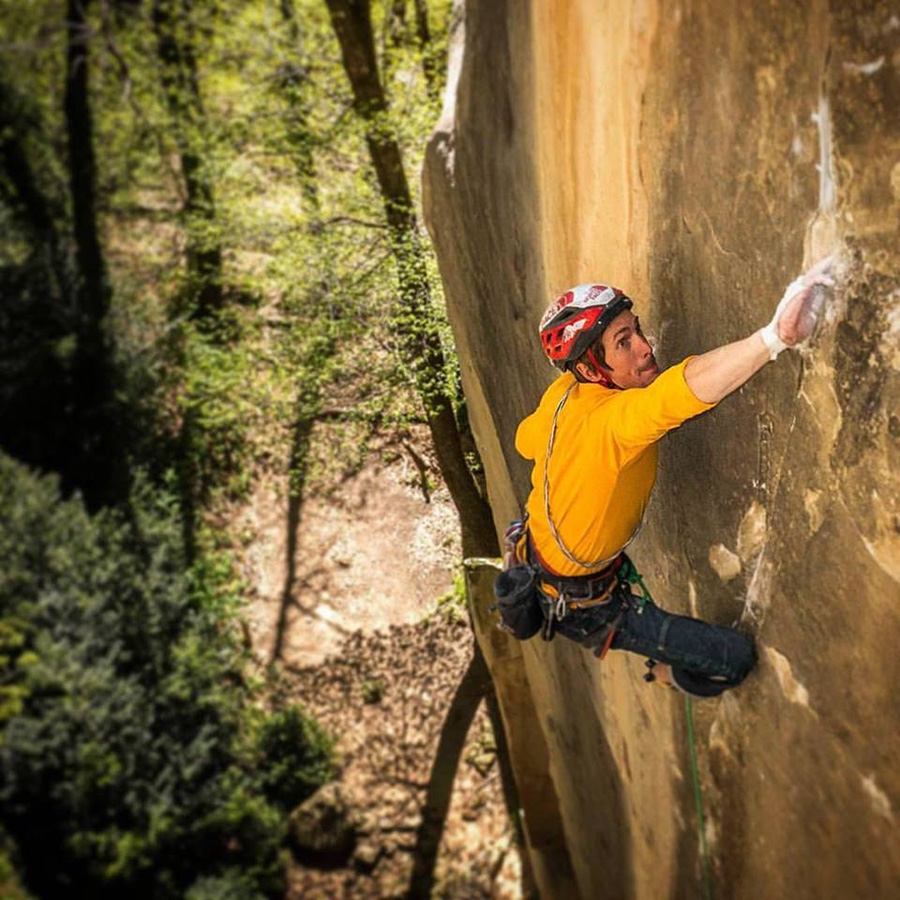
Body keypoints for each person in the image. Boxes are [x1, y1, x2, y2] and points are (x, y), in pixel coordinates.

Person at [506, 260, 834, 697]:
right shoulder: (614, 423)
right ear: (589, 370)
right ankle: (669, 675)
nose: (645, 347)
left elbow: (524, 441)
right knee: (734, 659)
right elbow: (674, 396)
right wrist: (775, 337)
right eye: (624, 342)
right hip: (585, 606)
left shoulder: (562, 394)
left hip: (536, 550)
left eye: (636, 330)